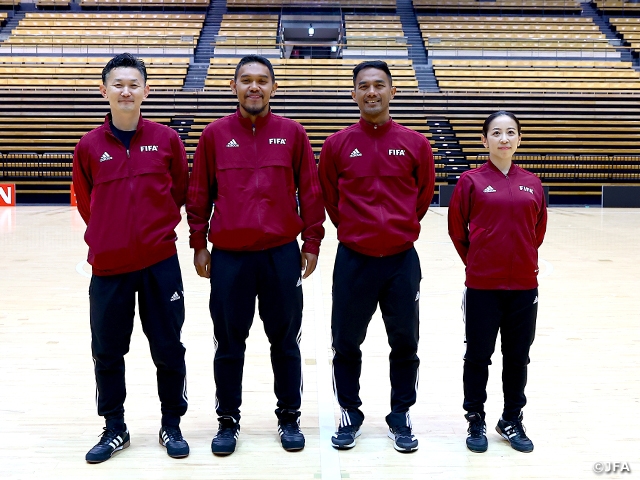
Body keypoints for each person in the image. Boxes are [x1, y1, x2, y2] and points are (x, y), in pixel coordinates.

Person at [186, 55, 325, 456]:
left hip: (281, 255)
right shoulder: (213, 135)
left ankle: (289, 417)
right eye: (246, 80)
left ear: (273, 89)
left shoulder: (293, 134)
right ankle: (227, 421)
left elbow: (310, 194)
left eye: (262, 80)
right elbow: (198, 196)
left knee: (286, 343)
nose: (254, 87)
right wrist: (199, 243)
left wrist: (311, 242)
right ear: (234, 87)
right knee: (229, 343)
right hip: (230, 257)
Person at [72, 53, 190, 463]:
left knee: (168, 347)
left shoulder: (167, 140)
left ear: (146, 90)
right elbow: (88, 204)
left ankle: (171, 424)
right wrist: (112, 236)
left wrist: (151, 232)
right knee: (107, 350)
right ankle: (114, 427)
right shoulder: (88, 146)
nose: (126, 90)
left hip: (160, 263)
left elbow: (179, 192)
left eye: (133, 83)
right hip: (109, 267)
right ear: (104, 90)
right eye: (117, 84)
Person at [318, 60, 435, 453]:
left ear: (392, 92)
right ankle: (349, 412)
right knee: (346, 341)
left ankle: (400, 414)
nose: (372, 92)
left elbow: (421, 199)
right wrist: (358, 231)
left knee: (405, 343)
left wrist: (396, 228)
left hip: (402, 260)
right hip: (354, 260)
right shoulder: (336, 145)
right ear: (353, 94)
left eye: (379, 85)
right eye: (364, 86)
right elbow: (331, 201)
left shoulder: (417, 144)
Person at [447, 111, 547, 454]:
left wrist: (519, 261)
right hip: (482, 287)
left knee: (518, 357)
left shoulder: (532, 183)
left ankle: (511, 419)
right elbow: (457, 231)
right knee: (477, 356)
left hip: (523, 287)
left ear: (519, 139)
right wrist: (479, 264)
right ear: (484, 139)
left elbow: (538, 231)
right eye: (496, 133)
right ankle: (475, 418)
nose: (504, 139)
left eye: (510, 133)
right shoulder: (470, 181)